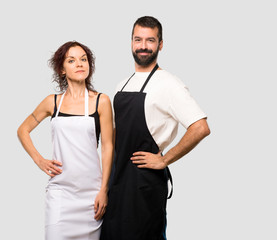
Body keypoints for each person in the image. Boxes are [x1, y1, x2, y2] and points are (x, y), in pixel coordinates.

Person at [100, 16, 211, 240]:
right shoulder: (123, 83)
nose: (143, 46)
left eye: (150, 40)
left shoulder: (169, 84)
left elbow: (200, 127)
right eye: (138, 39)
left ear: (160, 45)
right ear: (131, 42)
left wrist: (164, 159)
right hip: (118, 180)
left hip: (144, 184)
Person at [17, 41, 113, 240]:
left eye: (83, 59)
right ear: (62, 69)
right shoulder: (52, 102)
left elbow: (107, 146)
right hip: (61, 194)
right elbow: (23, 130)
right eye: (72, 60)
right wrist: (39, 159)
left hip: (91, 195)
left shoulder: (101, 101)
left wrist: (104, 190)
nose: (79, 64)